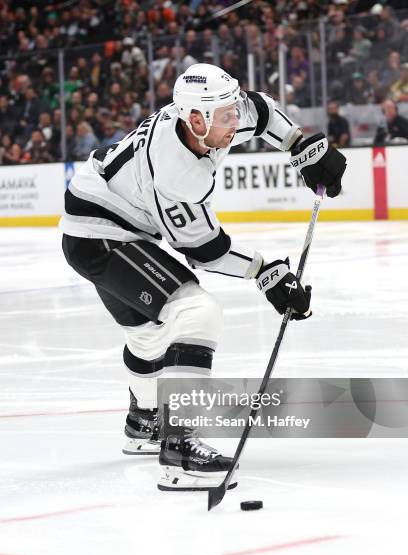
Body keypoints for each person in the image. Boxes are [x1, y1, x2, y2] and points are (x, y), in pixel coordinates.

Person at [60, 63, 346, 492]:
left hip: (105, 219)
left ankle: (143, 422)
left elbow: (262, 112)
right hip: (99, 235)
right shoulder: (176, 174)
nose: (236, 120)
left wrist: (299, 145)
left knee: (147, 338)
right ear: (196, 120)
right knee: (195, 310)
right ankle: (178, 452)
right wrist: (265, 271)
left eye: (232, 111)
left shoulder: (210, 114)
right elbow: (204, 248)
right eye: (227, 117)